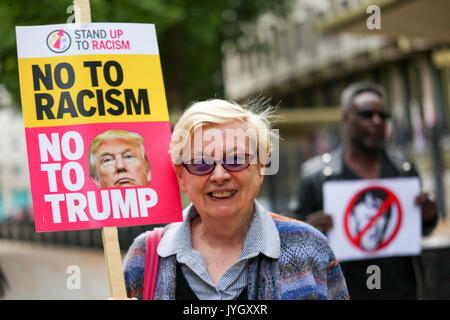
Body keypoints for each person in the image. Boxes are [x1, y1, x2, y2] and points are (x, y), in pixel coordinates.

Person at [123, 99, 349, 300]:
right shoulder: (143, 257)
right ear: (182, 176)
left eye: (236, 159)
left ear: (261, 167)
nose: (220, 175)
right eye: (201, 163)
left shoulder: (310, 248)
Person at [293, 81, 438, 299]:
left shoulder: (403, 170)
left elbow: (420, 231)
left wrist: (429, 215)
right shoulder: (316, 176)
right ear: (346, 118)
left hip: (400, 291)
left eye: (382, 116)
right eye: (367, 114)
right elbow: (292, 240)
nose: (377, 121)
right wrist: (309, 229)